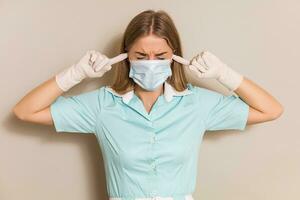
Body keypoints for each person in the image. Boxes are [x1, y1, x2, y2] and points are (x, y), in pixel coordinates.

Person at [12, 9, 283, 200]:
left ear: (174, 56)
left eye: (160, 55)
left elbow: (271, 109)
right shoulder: (102, 105)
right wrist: (76, 73)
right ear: (125, 56)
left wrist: (224, 73)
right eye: (141, 55)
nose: (151, 63)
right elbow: (25, 111)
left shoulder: (197, 103)